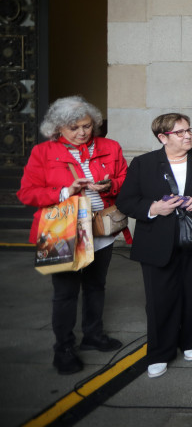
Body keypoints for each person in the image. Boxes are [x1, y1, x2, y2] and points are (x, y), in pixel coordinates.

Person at [17, 96, 127, 375]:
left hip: (102, 230)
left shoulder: (110, 146)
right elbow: (27, 194)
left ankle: (93, 335)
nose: (82, 132)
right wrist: (66, 192)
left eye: (87, 126)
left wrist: (109, 184)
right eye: (74, 128)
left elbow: (126, 180)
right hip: (61, 232)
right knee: (65, 293)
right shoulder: (43, 152)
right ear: (58, 129)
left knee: (96, 285)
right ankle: (63, 348)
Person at [117, 113, 192, 379]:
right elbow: (126, 200)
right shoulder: (144, 164)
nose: (188, 135)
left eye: (188, 130)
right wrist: (153, 208)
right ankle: (160, 352)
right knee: (160, 300)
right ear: (162, 137)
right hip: (157, 241)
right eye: (180, 132)